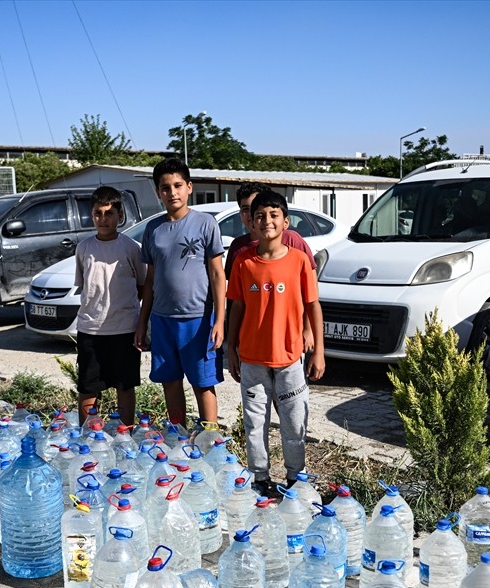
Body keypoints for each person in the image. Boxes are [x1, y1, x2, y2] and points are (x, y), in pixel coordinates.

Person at [225, 190, 325, 495]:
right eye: (259, 216)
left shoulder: (298, 261)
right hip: (252, 359)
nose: (266, 221)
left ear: (286, 222)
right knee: (256, 425)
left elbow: (313, 306)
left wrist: (318, 350)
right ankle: (260, 478)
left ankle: (296, 478)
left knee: (294, 426)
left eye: (273, 215)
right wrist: (231, 348)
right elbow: (237, 307)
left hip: (290, 358)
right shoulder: (243, 261)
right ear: (251, 223)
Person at [134, 158, 226, 427]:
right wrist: (142, 323)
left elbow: (218, 275)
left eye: (177, 185)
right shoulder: (153, 229)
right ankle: (179, 437)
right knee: (170, 382)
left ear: (189, 187)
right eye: (165, 187)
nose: (172, 192)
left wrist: (219, 320)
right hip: (162, 321)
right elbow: (150, 281)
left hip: (198, 320)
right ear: (158, 192)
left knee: (202, 383)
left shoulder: (206, 224)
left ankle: (210, 441)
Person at [74, 186, 146, 424]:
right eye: (98, 213)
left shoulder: (131, 248)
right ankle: (87, 435)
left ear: (120, 215)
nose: (103, 219)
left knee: (124, 386)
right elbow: (84, 286)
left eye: (109, 213)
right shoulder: (83, 248)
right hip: (90, 330)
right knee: (88, 387)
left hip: (124, 329)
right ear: (91, 214)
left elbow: (142, 286)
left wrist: (139, 325)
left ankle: (126, 433)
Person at [225, 182, 318, 353]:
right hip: (252, 342)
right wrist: (232, 341)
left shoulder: (292, 241)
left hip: (289, 342)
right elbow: (235, 301)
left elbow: (310, 294)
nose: (251, 215)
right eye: (245, 209)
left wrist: (308, 329)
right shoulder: (238, 248)